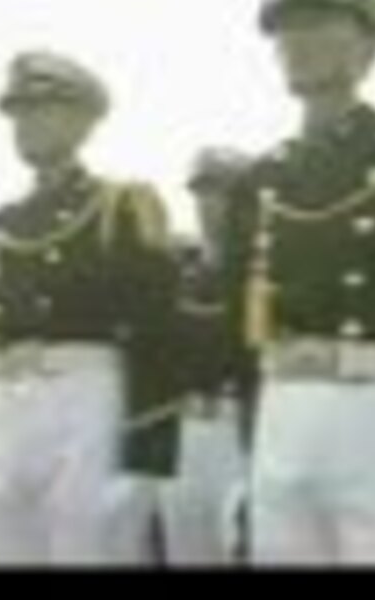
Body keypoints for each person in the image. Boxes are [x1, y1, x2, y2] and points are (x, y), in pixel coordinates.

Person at [223, 0, 375, 565]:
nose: (297, 41)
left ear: (368, 44)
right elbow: (238, 327)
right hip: (283, 413)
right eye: (286, 29)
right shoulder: (261, 179)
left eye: (319, 23)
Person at [0, 50, 180, 565]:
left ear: (83, 121)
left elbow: (157, 327)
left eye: (42, 110)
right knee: (9, 546)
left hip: (87, 395)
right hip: (9, 399)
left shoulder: (119, 207)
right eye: (19, 112)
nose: (26, 124)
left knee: (88, 545)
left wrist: (149, 438)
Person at [159, 149, 254, 566]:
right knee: (184, 551)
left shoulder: (263, 271)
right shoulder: (178, 272)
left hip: (240, 429)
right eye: (201, 192)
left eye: (223, 192)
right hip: (185, 431)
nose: (209, 204)